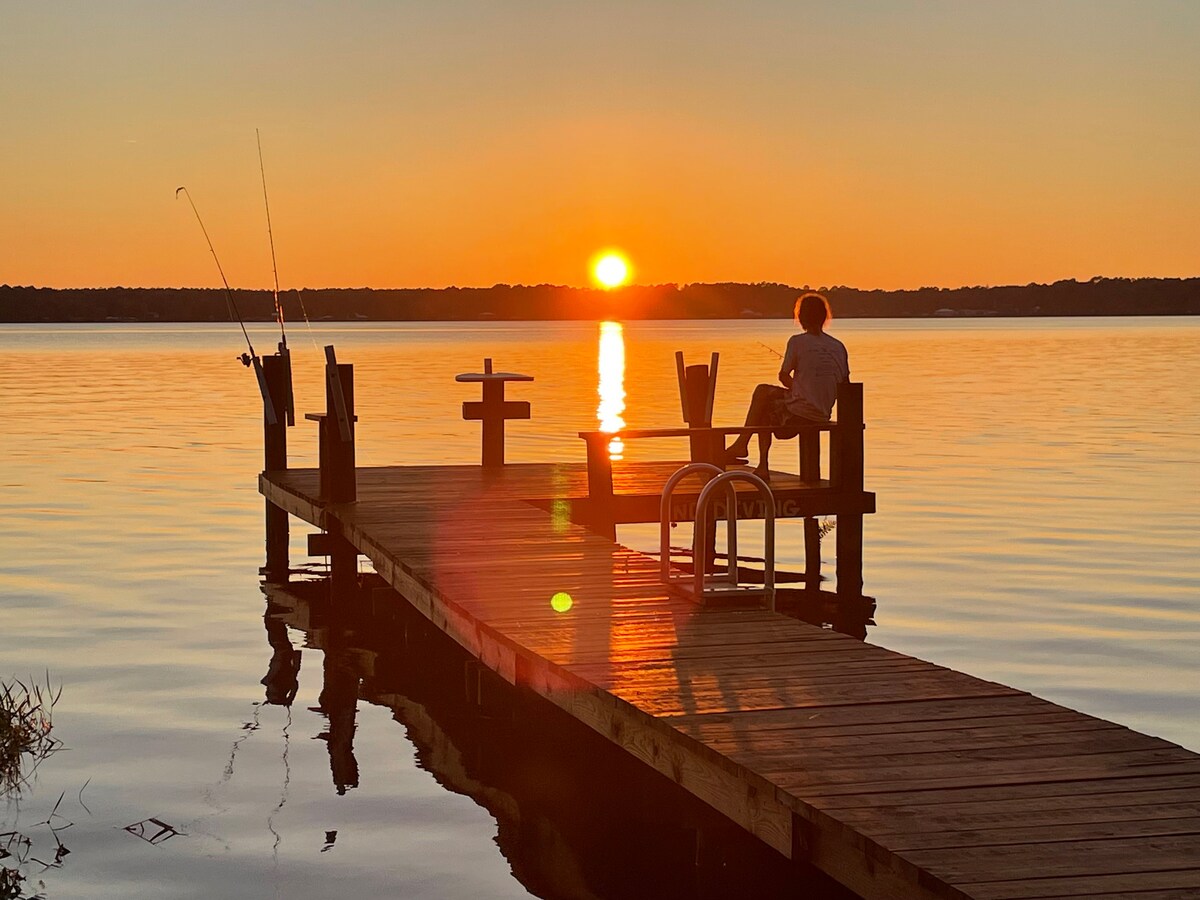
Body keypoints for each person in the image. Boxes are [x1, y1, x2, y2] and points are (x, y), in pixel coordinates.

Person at [722, 292, 849, 476]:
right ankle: (743, 446)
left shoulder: (797, 342)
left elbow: (783, 376)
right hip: (823, 413)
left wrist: (798, 388)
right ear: (823, 317)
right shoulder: (838, 346)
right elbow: (844, 384)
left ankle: (752, 455)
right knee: (766, 400)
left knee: (762, 396)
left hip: (802, 412)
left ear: (801, 317)